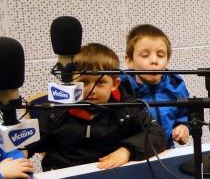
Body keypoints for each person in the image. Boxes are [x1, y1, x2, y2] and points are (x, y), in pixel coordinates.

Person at [28, 43, 167, 170]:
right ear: (71, 81)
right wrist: (20, 155)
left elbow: (156, 135)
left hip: (109, 173)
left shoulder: (127, 107)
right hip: (64, 175)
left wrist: (127, 151)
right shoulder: (56, 110)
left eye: (100, 83)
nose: (92, 90)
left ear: (114, 84)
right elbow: (29, 143)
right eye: (84, 82)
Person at [124, 24, 191, 148]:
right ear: (129, 61)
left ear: (167, 60)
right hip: (132, 154)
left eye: (160, 55)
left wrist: (184, 126)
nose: (154, 61)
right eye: (145, 55)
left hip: (167, 151)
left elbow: (185, 115)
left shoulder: (175, 85)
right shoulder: (121, 89)